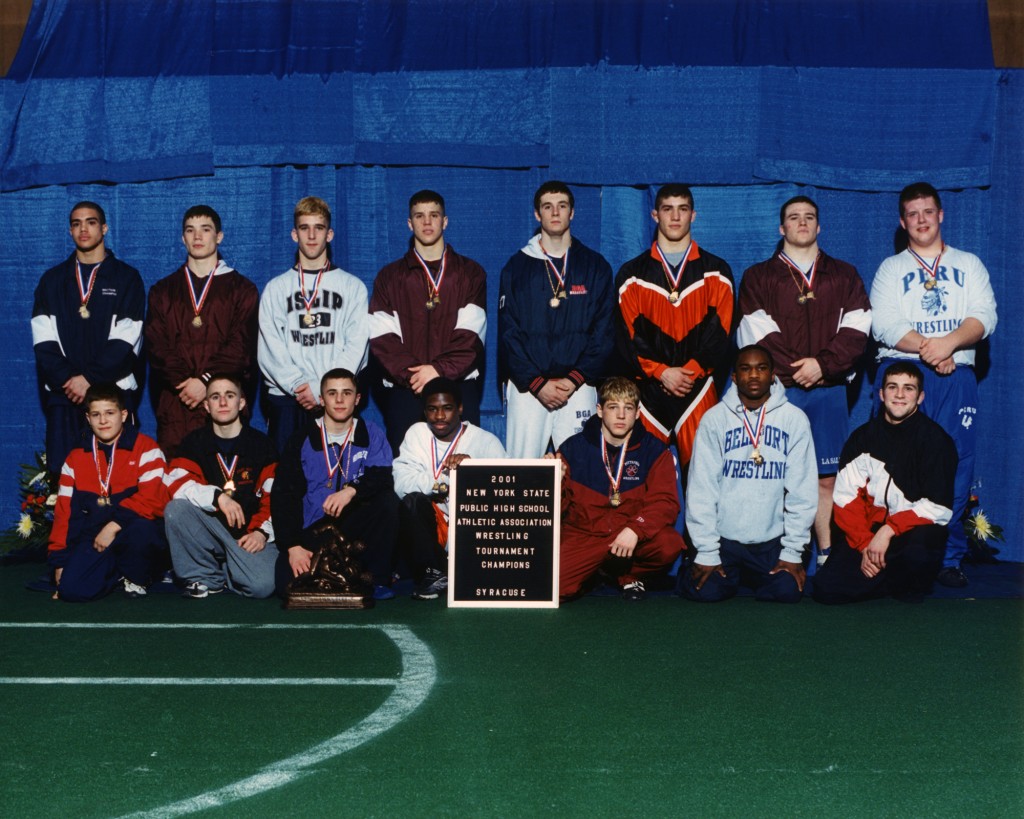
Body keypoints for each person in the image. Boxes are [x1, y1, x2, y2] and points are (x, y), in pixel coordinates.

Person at [869, 182, 997, 588]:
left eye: (928, 212)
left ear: (940, 215)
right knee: (898, 465)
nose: (921, 220)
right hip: (905, 374)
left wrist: (949, 346)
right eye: (912, 213)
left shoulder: (969, 263)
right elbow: (884, 325)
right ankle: (898, 550)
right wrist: (930, 350)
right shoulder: (891, 269)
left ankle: (949, 555)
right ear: (902, 221)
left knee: (956, 466)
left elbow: (984, 316)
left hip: (956, 375)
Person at [737, 196, 871, 565]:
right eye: (793, 218)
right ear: (781, 228)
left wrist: (823, 366)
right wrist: (801, 368)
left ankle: (826, 555)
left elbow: (858, 330)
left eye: (809, 217)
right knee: (776, 478)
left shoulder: (844, 275)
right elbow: (755, 332)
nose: (802, 223)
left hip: (828, 391)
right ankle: (782, 557)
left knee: (825, 479)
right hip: (780, 392)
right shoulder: (758, 276)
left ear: (819, 226)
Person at [680, 346, 817, 603]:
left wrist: (792, 551)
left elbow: (802, 491)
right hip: (725, 540)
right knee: (706, 591)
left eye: (761, 368)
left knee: (787, 591)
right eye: (745, 369)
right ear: (734, 377)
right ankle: (701, 567)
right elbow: (701, 489)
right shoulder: (714, 419)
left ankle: (752, 580)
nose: (753, 375)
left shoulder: (794, 419)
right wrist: (707, 551)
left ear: (773, 375)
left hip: (771, 541)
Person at [813, 362, 958, 604]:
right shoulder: (861, 439)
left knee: (917, 558)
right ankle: (885, 575)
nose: (900, 395)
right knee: (826, 590)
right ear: (881, 394)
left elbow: (939, 507)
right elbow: (845, 499)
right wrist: (865, 546)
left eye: (909, 388)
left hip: (911, 535)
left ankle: (898, 579)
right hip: (868, 535)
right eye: (893, 387)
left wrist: (888, 531)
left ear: (920, 397)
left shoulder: (936, 441)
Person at [615, 184, 734, 465]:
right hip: (648, 391)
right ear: (655, 215)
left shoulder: (716, 271)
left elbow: (722, 334)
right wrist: (661, 372)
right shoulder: (631, 275)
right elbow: (626, 336)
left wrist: (688, 373)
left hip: (698, 389)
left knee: (704, 482)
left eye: (683, 209)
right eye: (668, 209)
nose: (675, 217)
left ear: (694, 215)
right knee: (638, 476)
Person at [498, 180, 615, 458]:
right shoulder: (516, 267)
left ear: (572, 212)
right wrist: (537, 384)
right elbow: (508, 334)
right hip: (529, 389)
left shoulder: (595, 266)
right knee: (522, 471)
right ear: (537, 215)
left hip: (578, 386)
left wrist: (574, 380)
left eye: (562, 206)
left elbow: (604, 332)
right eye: (547, 207)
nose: (555, 213)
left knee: (582, 470)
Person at [370, 190, 487, 454]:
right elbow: (381, 340)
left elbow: (472, 337)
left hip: (458, 388)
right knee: (405, 470)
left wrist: (437, 371)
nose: (427, 222)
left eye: (433, 215)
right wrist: (417, 375)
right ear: (409, 224)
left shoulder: (471, 273)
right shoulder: (389, 277)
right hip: (406, 389)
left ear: (445, 221)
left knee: (463, 471)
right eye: (419, 216)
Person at [32, 201, 145, 476]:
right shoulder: (52, 280)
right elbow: (43, 341)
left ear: (104, 228)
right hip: (64, 395)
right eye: (76, 223)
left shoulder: (126, 278)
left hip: (112, 395)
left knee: (118, 476)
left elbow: (127, 340)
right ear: (70, 231)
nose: (83, 229)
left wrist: (89, 378)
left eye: (91, 222)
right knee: (65, 475)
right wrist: (70, 381)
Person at [272, 368, 397, 599]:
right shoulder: (302, 438)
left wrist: (351, 490)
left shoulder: (371, 433)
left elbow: (382, 477)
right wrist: (293, 546)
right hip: (314, 530)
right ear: (321, 399)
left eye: (347, 393)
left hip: (353, 526)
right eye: (332, 393)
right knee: (285, 586)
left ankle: (378, 578)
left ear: (357, 399)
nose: (339, 400)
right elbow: (284, 496)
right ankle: (346, 573)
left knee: (387, 500)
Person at [258, 196, 370, 455]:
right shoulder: (276, 288)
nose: (311, 235)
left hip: (335, 398)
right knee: (284, 477)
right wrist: (299, 384)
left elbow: (357, 346)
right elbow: (269, 347)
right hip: (288, 397)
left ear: (329, 234)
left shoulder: (352, 287)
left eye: (318, 228)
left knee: (336, 475)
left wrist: (325, 387)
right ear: (294, 234)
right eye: (304, 228)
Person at [555, 377, 683, 601]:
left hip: (628, 534)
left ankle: (628, 575)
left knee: (668, 545)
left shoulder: (654, 451)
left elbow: (665, 502)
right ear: (600, 410)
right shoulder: (572, 449)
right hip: (586, 535)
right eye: (613, 407)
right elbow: (558, 510)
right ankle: (596, 572)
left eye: (628, 408)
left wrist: (636, 529)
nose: (621, 415)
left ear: (638, 413)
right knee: (555, 588)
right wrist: (553, 482)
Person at [145, 205, 260, 457]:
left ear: (219, 236)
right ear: (182, 238)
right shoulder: (162, 291)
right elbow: (155, 345)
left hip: (223, 401)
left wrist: (206, 382)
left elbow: (241, 347)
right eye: (190, 230)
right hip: (178, 401)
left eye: (205, 229)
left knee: (226, 478)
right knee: (178, 480)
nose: (197, 237)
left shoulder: (242, 289)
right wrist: (185, 383)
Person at [47, 384, 167, 602]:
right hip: (95, 536)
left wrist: (114, 525)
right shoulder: (75, 458)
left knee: (144, 529)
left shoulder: (146, 448)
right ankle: (117, 572)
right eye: (96, 414)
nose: (103, 421)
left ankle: (140, 574)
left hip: (132, 529)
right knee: (72, 591)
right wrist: (60, 562)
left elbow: (153, 499)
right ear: (88, 418)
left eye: (110, 413)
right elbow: (65, 514)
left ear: (123, 415)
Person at [163, 374, 277, 599]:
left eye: (229, 395)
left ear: (241, 403)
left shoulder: (262, 445)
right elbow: (176, 485)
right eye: (215, 397)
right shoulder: (193, 442)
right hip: (211, 529)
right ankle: (205, 577)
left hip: (248, 535)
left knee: (262, 587)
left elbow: (275, 497)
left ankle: (228, 568)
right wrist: (218, 498)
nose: (223, 402)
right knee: (176, 510)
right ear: (206, 405)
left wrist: (261, 532)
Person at [393, 377, 506, 600]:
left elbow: (504, 493)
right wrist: (444, 482)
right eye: (432, 409)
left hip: (471, 527)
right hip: (435, 529)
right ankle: (433, 573)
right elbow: (402, 484)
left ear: (460, 408)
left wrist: (472, 469)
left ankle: (463, 569)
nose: (439, 416)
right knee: (412, 502)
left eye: (447, 408)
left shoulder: (486, 441)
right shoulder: (417, 433)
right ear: (424, 411)